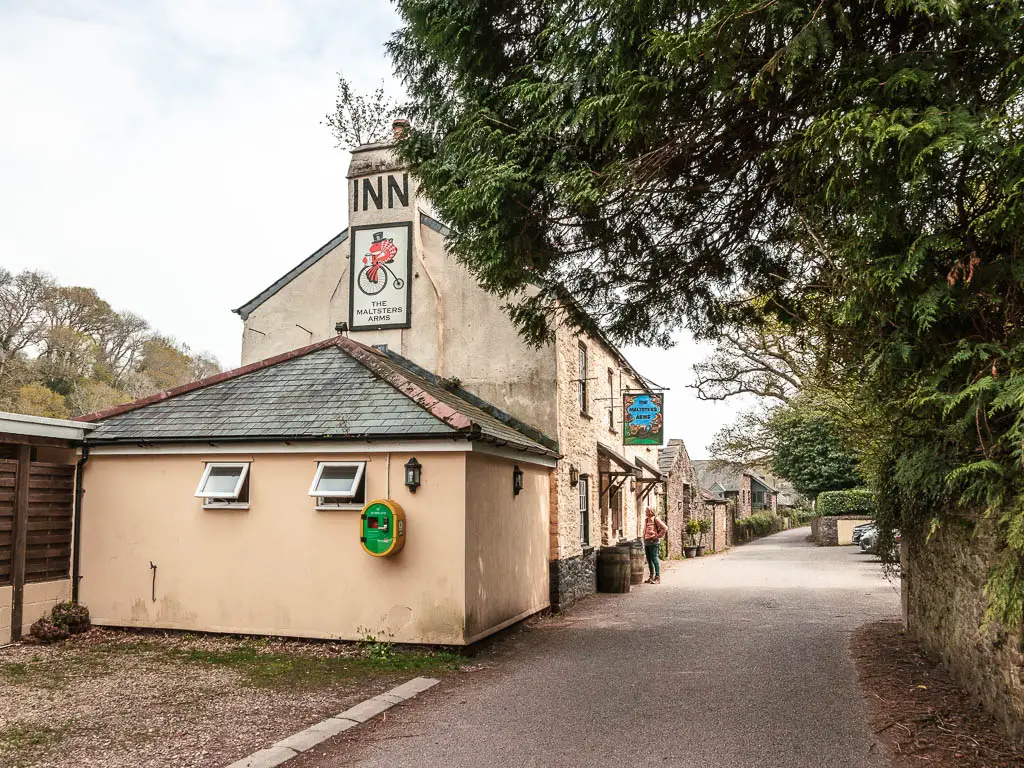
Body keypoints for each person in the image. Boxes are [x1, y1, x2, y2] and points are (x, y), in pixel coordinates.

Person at [642, 506, 668, 584]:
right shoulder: (646, 520)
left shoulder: (655, 519)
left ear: (651, 512)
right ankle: (651, 577)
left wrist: (657, 536)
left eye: (646, 511)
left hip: (653, 542)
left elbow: (665, 528)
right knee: (649, 560)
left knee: (654, 559)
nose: (645, 512)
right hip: (647, 542)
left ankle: (657, 578)